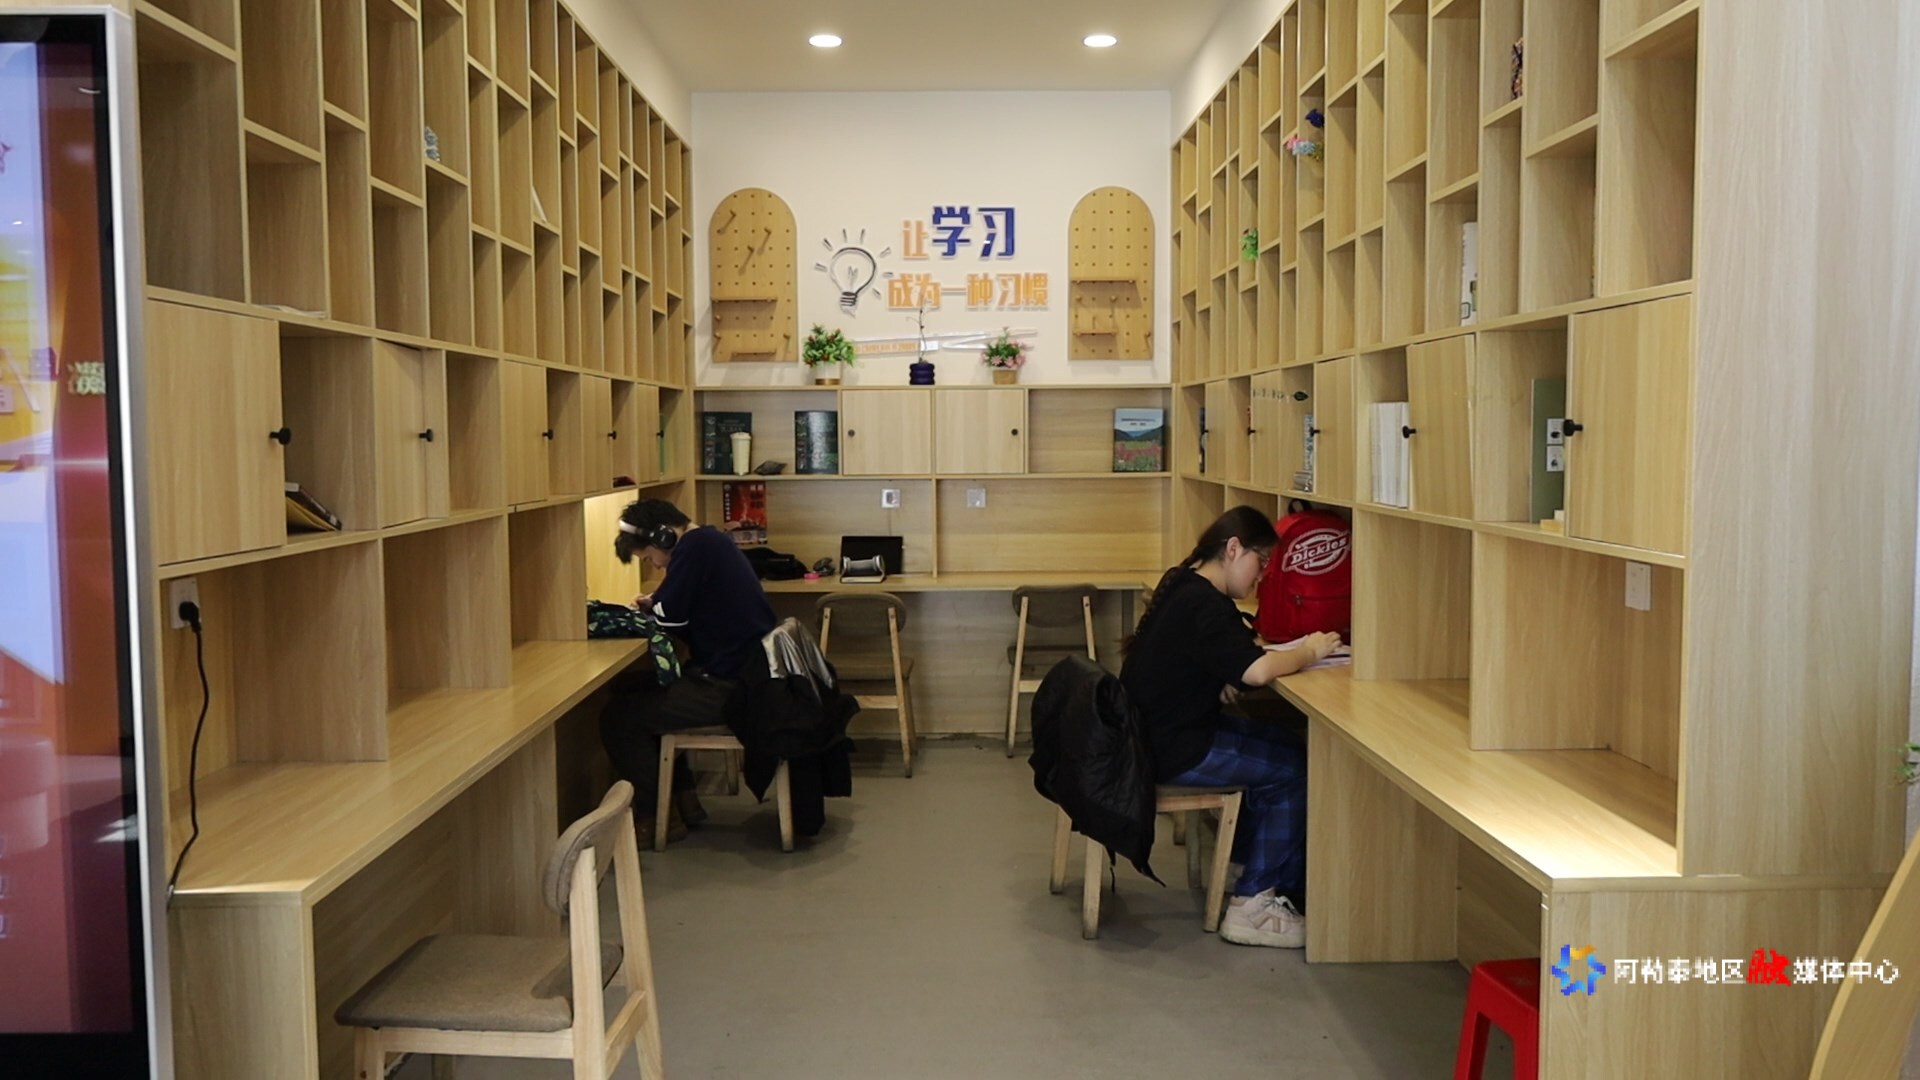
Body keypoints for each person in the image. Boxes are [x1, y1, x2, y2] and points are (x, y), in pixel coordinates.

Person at [1119, 506, 1341, 949]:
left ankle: (1255, 869)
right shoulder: (1204, 603)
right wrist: (1310, 651)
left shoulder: (1183, 583)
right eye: (1262, 561)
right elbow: (1257, 672)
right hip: (1171, 748)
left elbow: (1209, 654)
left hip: (1152, 734)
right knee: (1293, 771)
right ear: (1234, 549)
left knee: (1288, 746)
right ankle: (1250, 907)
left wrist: (1219, 672)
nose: (1263, 575)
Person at [600, 498, 777, 845]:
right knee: (630, 689)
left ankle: (656, 817)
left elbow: (672, 617)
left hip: (731, 687)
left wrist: (653, 608)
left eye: (650, 557)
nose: (655, 565)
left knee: (619, 718)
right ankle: (683, 801)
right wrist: (655, 605)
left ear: (664, 536)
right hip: (744, 676)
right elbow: (673, 606)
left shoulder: (695, 548)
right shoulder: (708, 542)